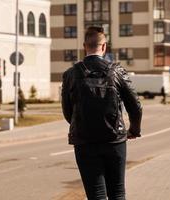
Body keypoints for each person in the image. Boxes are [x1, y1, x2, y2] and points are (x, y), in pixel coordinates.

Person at [61, 26, 143, 200]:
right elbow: (135, 106)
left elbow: (68, 111)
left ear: (85, 46)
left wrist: (83, 125)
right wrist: (133, 130)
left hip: (84, 143)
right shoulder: (117, 71)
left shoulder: (71, 74)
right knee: (117, 193)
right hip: (115, 141)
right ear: (104, 46)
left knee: (95, 194)